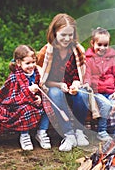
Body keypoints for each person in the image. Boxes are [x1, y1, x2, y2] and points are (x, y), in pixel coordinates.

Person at [0, 45, 51, 151]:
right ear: (18, 63)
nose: (31, 66)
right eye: (27, 63)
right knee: (26, 109)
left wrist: (39, 98)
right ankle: (24, 135)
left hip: (34, 103)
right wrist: (29, 92)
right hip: (17, 105)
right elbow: (12, 98)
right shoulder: (15, 77)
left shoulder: (36, 74)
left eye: (33, 62)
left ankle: (42, 132)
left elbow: (41, 92)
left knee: (48, 106)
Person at [37, 13, 90, 151]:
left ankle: (79, 131)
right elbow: (42, 81)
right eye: (63, 35)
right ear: (54, 33)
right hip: (55, 89)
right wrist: (59, 85)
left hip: (71, 90)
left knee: (83, 93)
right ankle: (68, 134)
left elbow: (80, 75)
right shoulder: (46, 52)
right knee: (55, 93)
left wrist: (76, 84)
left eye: (70, 35)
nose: (67, 39)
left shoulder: (77, 50)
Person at [83, 27, 115, 141]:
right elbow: (88, 75)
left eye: (105, 45)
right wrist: (86, 84)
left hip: (110, 91)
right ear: (92, 43)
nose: (102, 48)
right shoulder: (89, 59)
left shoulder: (111, 59)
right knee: (106, 105)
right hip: (97, 92)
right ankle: (102, 130)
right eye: (99, 44)